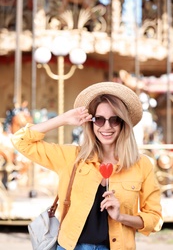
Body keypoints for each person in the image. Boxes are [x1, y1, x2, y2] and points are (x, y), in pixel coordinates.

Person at [11, 82, 163, 250]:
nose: (106, 126)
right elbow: (21, 141)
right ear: (91, 122)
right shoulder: (72, 157)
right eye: (99, 119)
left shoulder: (142, 165)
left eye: (115, 120)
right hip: (70, 246)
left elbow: (155, 219)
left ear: (123, 124)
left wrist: (121, 217)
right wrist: (63, 119)